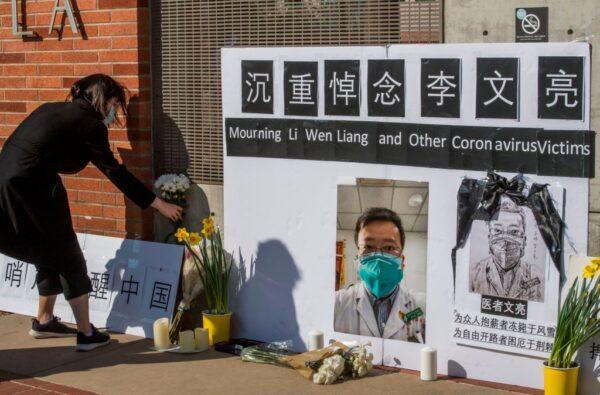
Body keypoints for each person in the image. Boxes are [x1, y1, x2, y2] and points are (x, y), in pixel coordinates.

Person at [0, 74, 183, 351]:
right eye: (113, 104)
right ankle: (86, 333)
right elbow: (115, 173)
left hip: (8, 182)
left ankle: (45, 320)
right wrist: (159, 204)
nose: (113, 112)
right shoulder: (89, 126)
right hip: (32, 189)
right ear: (104, 99)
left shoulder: (51, 109)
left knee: (45, 250)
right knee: (67, 253)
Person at [334, 207, 425, 342]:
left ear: (402, 261)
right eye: (368, 247)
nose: (378, 258)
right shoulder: (337, 303)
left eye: (389, 248)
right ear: (358, 259)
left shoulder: (423, 306)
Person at [470, 198, 544, 302]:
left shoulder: (537, 276)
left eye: (514, 231)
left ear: (524, 240)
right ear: (489, 238)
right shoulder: (474, 274)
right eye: (497, 230)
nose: (505, 241)